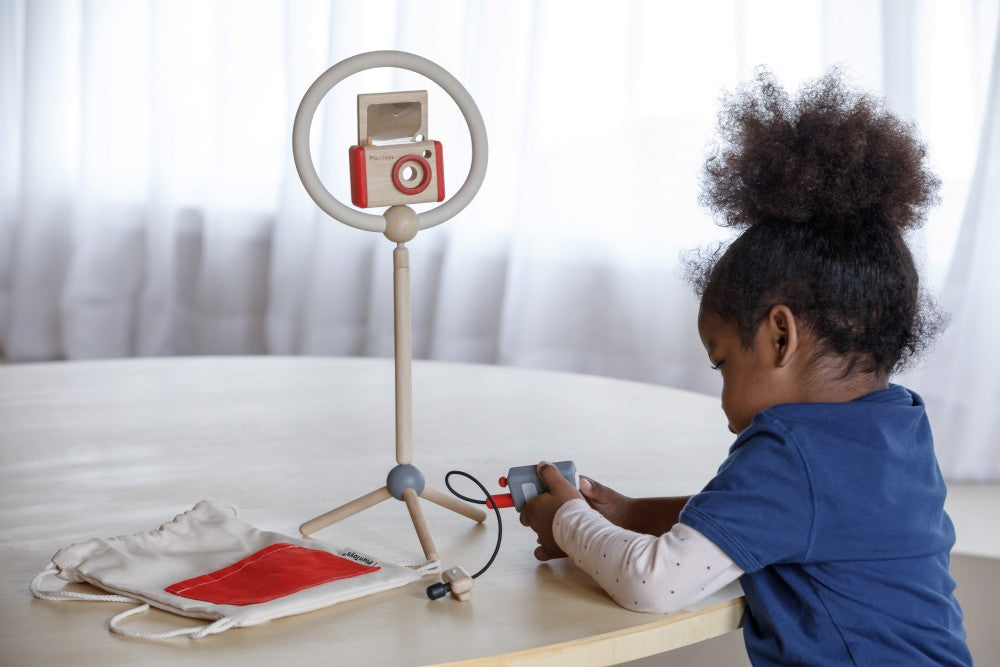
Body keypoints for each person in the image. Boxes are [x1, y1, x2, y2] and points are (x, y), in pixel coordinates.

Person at [518, 68, 972, 666]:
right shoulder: (895, 427)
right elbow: (769, 517)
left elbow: (653, 584)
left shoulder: (793, 449)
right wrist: (630, 515)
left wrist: (567, 520)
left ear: (780, 337)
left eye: (723, 363)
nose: (725, 400)